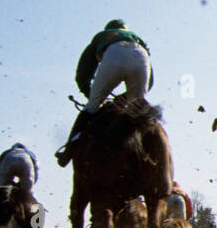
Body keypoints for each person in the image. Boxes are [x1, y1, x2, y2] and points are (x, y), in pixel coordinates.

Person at [55, 19, 153, 166]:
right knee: (139, 111)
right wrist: (125, 99)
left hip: (114, 56)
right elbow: (150, 82)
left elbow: (82, 74)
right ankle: (152, 154)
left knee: (91, 107)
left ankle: (68, 153)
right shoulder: (137, 38)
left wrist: (93, 97)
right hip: (142, 58)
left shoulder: (102, 36)